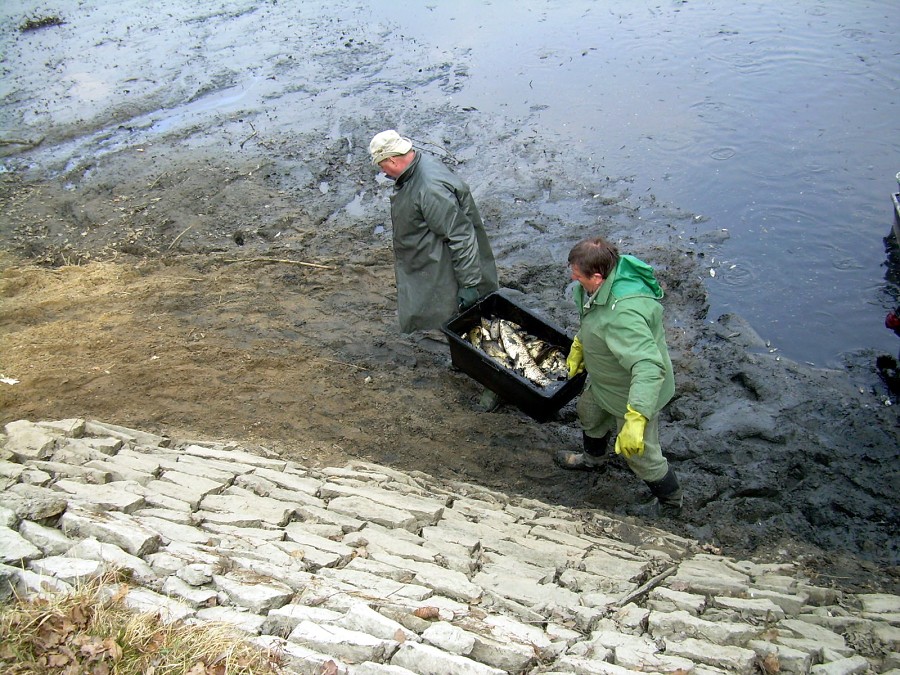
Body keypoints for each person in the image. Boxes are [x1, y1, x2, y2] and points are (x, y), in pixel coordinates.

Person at [555, 236, 683, 517]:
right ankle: (593, 460)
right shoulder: (597, 288)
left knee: (639, 454)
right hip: (604, 383)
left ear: (598, 277)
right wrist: (580, 343)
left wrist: (637, 418)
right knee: (588, 412)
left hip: (633, 395)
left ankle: (671, 503)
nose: (573, 279)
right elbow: (594, 320)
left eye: (578, 276)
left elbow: (649, 366)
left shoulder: (624, 314)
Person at [368, 130, 499, 333]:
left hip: (440, 258)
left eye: (381, 164)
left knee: (442, 311)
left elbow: (461, 236)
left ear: (392, 160)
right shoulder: (418, 165)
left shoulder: (429, 189)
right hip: (426, 251)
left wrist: (469, 284)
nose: (382, 171)